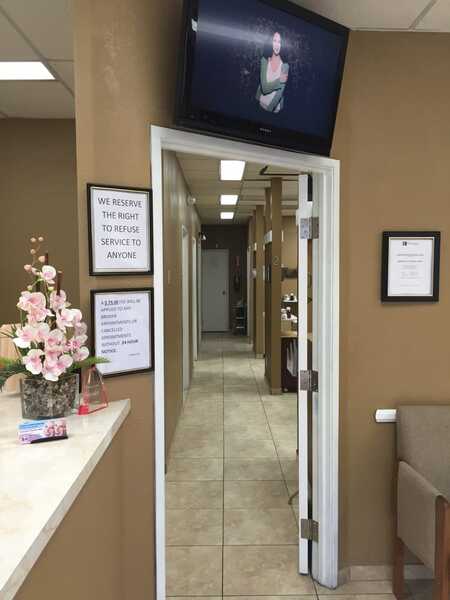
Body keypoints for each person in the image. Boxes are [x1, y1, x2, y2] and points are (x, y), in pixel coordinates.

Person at [256, 31, 289, 113]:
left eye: (279, 42)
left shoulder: (285, 65)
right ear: (270, 42)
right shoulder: (264, 60)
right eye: (274, 41)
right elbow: (264, 88)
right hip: (259, 104)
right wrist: (279, 81)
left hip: (274, 110)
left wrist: (269, 110)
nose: (277, 45)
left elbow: (279, 94)